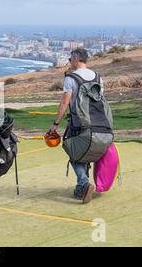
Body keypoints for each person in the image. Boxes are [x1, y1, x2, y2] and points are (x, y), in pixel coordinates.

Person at [49, 48, 104, 204]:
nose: (69, 61)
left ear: (75, 58)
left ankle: (84, 184)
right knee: (86, 151)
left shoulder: (70, 78)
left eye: (69, 58)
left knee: (74, 154)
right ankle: (81, 189)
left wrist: (55, 124)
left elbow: (65, 102)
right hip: (99, 121)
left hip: (78, 122)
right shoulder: (98, 77)